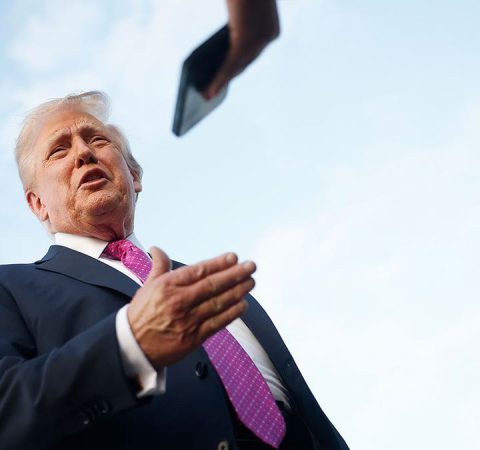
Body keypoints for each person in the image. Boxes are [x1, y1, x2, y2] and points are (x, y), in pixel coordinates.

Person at [0, 91, 349, 449]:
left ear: (134, 175)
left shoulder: (211, 285)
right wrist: (130, 347)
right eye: (59, 150)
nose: (83, 153)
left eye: (98, 139)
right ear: (37, 203)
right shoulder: (9, 287)